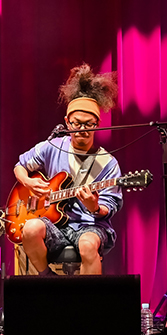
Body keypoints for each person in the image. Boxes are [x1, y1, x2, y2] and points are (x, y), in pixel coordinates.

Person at [14, 64, 122, 276]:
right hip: (54, 223)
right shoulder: (52, 147)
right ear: (67, 122)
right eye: (77, 124)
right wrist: (28, 182)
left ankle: (87, 296)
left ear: (98, 123)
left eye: (88, 124)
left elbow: (109, 206)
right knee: (30, 229)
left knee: (88, 245)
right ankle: (49, 279)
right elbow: (20, 166)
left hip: (91, 225)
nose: (82, 130)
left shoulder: (108, 163)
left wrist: (94, 206)